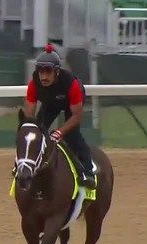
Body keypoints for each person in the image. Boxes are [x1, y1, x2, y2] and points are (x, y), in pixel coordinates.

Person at [24, 43, 96, 189]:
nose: (44, 76)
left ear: (57, 72)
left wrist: (59, 132)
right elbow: (30, 118)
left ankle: (89, 172)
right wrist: (31, 130)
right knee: (38, 132)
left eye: (48, 72)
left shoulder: (72, 84)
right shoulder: (33, 84)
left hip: (71, 103)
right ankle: (30, 167)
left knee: (72, 135)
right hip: (51, 103)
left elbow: (76, 116)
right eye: (41, 71)